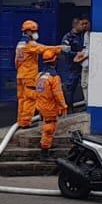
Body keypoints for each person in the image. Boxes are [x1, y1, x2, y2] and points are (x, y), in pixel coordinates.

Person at [14, 19, 65, 151]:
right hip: (29, 75)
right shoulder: (29, 44)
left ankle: (21, 120)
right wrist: (59, 48)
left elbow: (16, 61)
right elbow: (42, 49)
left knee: (22, 99)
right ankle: (25, 122)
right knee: (30, 98)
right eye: (34, 31)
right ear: (28, 31)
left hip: (20, 74)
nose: (36, 33)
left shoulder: (20, 44)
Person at [61, 16, 90, 107]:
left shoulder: (84, 35)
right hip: (72, 67)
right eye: (81, 24)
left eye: (85, 24)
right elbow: (65, 51)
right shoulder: (68, 37)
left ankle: (86, 104)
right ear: (75, 25)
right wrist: (77, 54)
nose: (84, 26)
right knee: (70, 88)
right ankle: (70, 108)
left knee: (85, 85)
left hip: (83, 65)